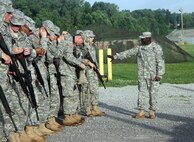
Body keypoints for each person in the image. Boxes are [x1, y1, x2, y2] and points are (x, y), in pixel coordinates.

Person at [108, 32, 165, 119]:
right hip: (142, 75)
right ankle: (141, 112)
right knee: (141, 93)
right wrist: (115, 56)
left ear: (148, 38)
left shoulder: (156, 48)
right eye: (141, 38)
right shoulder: (140, 48)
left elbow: (160, 61)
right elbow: (128, 53)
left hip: (154, 76)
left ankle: (152, 111)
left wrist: (159, 74)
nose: (141, 40)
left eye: (143, 38)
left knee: (153, 93)